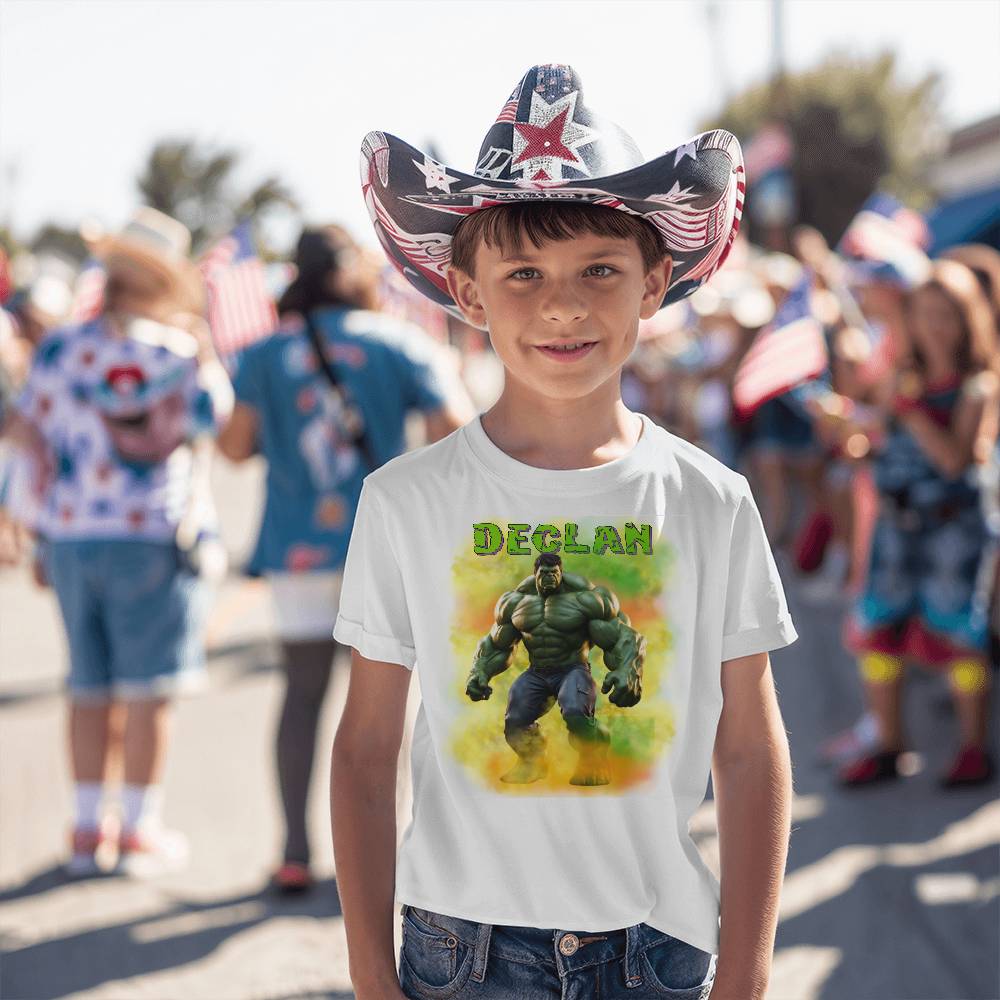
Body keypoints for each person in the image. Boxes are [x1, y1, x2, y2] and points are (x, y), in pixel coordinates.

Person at [331, 64, 798, 1000]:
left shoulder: (710, 501)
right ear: (467, 295)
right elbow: (365, 749)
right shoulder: (404, 500)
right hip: (460, 953)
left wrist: (746, 979)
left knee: (582, 712)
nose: (561, 303)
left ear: (654, 284)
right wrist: (371, 978)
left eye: (599, 269)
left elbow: (748, 749)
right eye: (522, 275)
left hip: (656, 950)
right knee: (522, 714)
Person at [216, 223, 472, 891]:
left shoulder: (264, 354)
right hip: (385, 547)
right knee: (387, 705)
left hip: (296, 549)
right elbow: (455, 426)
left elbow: (234, 447)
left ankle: (296, 852)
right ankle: (391, 853)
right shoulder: (397, 340)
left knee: (302, 697)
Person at [1, 207, 234, 876]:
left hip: (71, 536)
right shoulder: (177, 350)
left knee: (87, 687)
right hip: (150, 535)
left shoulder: (60, 348)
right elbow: (214, 419)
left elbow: (23, 432)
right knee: (148, 689)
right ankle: (137, 830)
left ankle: (83, 829)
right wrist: (208, 356)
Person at [839, 259, 1000, 787]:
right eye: (925, 314)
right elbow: (875, 442)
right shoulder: (900, 376)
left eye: (946, 315)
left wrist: (910, 413)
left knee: (958, 632)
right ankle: (889, 744)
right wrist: (854, 438)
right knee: (878, 630)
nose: (935, 326)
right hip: (896, 524)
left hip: (954, 528)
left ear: (967, 320)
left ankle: (972, 750)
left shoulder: (979, 386)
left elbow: (959, 460)